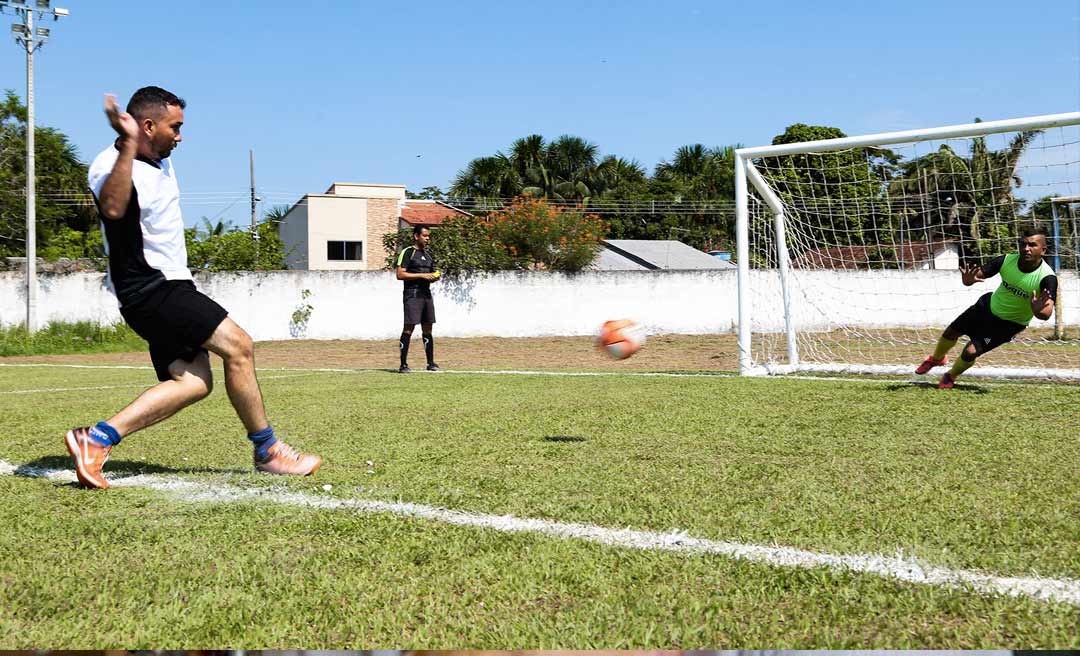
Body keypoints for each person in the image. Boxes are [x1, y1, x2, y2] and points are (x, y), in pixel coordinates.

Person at [66, 86, 322, 489]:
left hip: (167, 284)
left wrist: (141, 144)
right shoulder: (112, 164)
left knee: (193, 383)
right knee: (239, 346)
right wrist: (129, 146)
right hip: (151, 287)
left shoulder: (159, 160)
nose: (181, 137)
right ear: (147, 126)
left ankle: (95, 439)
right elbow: (113, 208)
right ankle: (268, 451)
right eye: (175, 127)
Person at [915, 228, 1057, 388]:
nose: (1026, 249)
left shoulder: (1047, 278)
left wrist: (1038, 310)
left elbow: (1046, 313)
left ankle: (951, 375)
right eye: (1023, 244)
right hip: (986, 307)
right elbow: (978, 275)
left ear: (1043, 250)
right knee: (950, 333)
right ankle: (937, 359)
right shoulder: (1006, 260)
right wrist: (968, 280)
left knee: (970, 352)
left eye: (1032, 245)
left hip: (1008, 324)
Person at [395, 225, 441, 373]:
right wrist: (421, 276)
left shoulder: (428, 255)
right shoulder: (408, 252)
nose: (428, 238)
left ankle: (431, 363)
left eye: (428, 236)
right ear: (416, 236)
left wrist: (434, 277)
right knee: (409, 328)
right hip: (412, 294)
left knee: (428, 328)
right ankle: (403, 364)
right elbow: (400, 274)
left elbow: (431, 273)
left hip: (426, 294)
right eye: (425, 235)